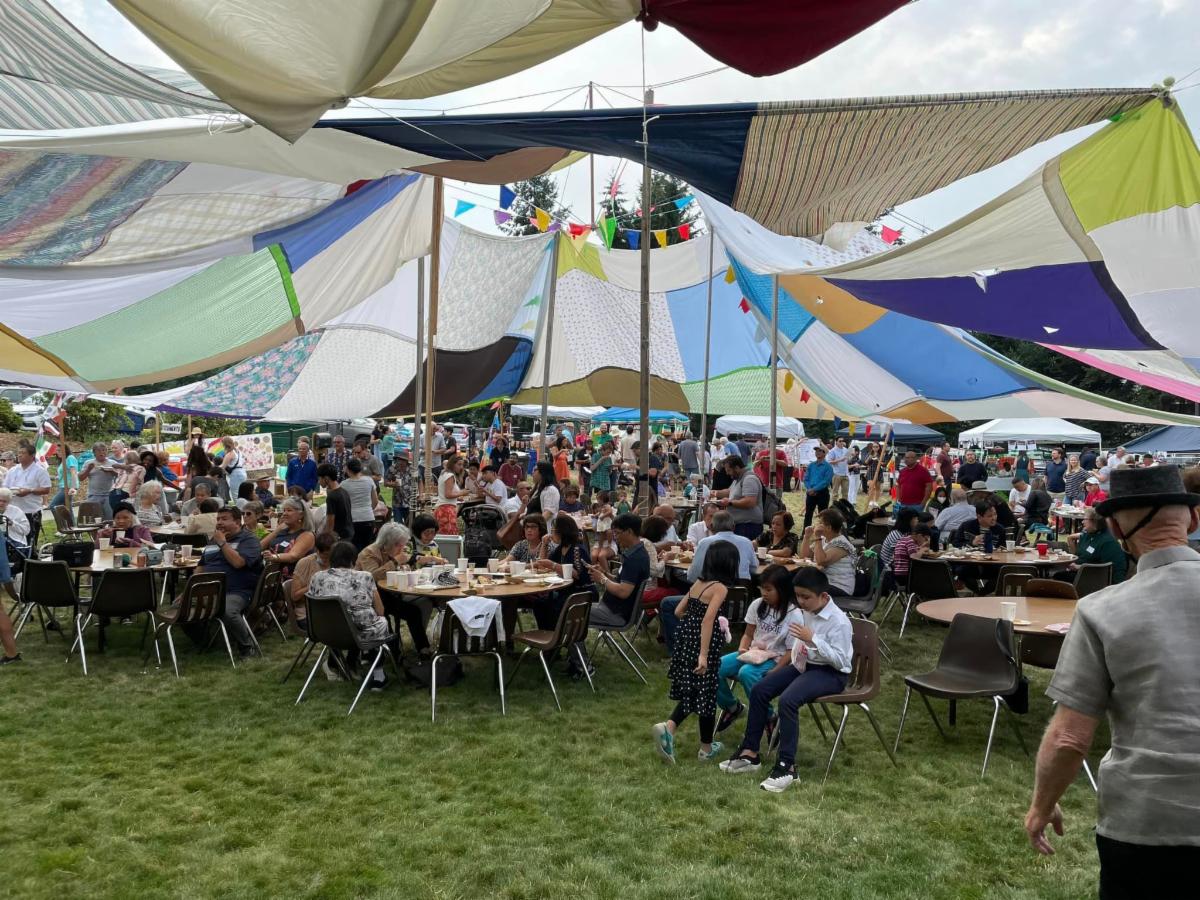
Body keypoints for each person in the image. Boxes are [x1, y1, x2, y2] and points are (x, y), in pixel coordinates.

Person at [1025, 466, 1200, 895]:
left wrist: (1041, 806)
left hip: (1149, 822)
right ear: (1193, 520)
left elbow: (1069, 738)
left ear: (1117, 530)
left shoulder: (1101, 610)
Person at [720, 567, 854, 792]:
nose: (800, 602)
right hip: (805, 665)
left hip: (831, 673)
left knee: (788, 700)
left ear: (823, 596)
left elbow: (841, 662)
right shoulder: (807, 611)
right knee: (760, 690)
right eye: (798, 596)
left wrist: (814, 640)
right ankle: (750, 753)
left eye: (805, 597)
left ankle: (787, 767)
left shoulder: (839, 621)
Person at [651, 541, 739, 764]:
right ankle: (705, 749)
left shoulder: (699, 583)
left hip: (685, 641)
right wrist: (703, 654)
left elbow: (678, 610)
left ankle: (670, 729)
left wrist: (692, 624)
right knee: (707, 694)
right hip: (702, 646)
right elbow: (708, 620)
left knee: (694, 691)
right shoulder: (720, 588)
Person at [714, 565, 800, 734]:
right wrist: (742, 648)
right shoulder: (757, 604)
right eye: (762, 588)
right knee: (714, 667)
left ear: (782, 589)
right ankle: (732, 707)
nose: (764, 593)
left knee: (746, 673)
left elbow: (792, 651)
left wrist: (776, 670)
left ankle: (769, 716)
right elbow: (748, 634)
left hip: (776, 658)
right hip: (754, 653)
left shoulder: (794, 614)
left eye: (769, 589)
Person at [310, 540, 390, 684]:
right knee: (379, 622)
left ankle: (341, 663)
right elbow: (380, 610)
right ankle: (378, 674)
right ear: (354, 559)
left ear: (331, 558)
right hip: (358, 635)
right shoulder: (365, 576)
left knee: (345, 620)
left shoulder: (317, 577)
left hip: (324, 632)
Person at [193, 506, 264, 658]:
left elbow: (238, 563)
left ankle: (247, 648)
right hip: (208, 590)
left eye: (224, 519)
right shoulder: (213, 541)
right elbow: (201, 566)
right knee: (179, 606)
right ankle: (205, 641)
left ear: (237, 522)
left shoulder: (249, 540)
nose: (219, 522)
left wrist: (223, 543)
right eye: (218, 519)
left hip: (236, 591)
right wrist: (190, 587)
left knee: (228, 611)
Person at [586, 513, 649, 633]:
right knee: (572, 608)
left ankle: (575, 645)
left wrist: (602, 579)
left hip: (615, 614)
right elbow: (622, 581)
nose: (615, 537)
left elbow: (623, 592)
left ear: (629, 531)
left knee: (569, 612)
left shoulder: (634, 558)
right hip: (612, 609)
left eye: (617, 533)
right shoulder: (638, 553)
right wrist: (604, 573)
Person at [799, 508, 858, 596]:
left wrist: (817, 537)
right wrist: (806, 537)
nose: (816, 525)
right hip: (824, 582)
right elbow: (804, 556)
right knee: (795, 580)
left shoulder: (842, 544)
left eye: (820, 523)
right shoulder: (824, 539)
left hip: (839, 587)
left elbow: (821, 561)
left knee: (801, 585)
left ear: (829, 528)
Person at [1061, 506, 1127, 584]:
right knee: (1058, 574)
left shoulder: (1108, 542)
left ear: (1095, 521)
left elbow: (1106, 568)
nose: (1082, 522)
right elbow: (1079, 554)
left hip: (1099, 581)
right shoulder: (1088, 534)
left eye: (1085, 519)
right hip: (1083, 573)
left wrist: (1080, 567)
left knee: (1058, 577)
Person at [4, 442, 51, 539]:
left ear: (32, 456)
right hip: (13, 511)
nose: (19, 455)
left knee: (30, 540)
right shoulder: (13, 470)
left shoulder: (40, 471)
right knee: (13, 539)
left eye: (23, 453)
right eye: (19, 453)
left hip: (31, 511)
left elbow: (46, 489)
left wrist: (30, 490)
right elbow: (5, 487)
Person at [291, 530, 335, 633]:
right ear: (317, 550)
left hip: (332, 612)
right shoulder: (305, 563)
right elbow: (295, 596)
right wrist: (316, 583)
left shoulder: (337, 561)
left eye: (330, 556)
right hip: (308, 614)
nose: (327, 560)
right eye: (325, 556)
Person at [261, 497, 315, 577]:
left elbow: (293, 556)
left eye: (289, 510)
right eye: (284, 510)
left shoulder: (307, 535)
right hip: (269, 574)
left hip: (289, 579)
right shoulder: (283, 530)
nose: (284, 513)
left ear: (301, 515)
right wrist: (278, 529)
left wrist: (274, 557)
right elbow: (261, 546)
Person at [714, 455, 763, 540]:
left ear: (736, 468)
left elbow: (750, 502)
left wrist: (730, 502)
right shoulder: (738, 479)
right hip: (741, 525)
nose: (727, 473)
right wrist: (715, 493)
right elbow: (730, 492)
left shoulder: (749, 479)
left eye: (729, 470)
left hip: (748, 526)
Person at [342, 457, 380, 550]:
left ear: (348, 469)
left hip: (352, 519)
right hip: (368, 517)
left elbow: (343, 504)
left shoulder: (344, 484)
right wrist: (368, 509)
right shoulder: (369, 480)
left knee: (352, 548)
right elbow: (375, 501)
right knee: (366, 548)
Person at [317, 464, 353, 542]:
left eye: (319, 479)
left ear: (326, 479)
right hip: (349, 533)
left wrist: (325, 540)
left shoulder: (332, 496)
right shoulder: (344, 491)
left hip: (339, 537)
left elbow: (330, 523)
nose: (319, 482)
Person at [895, 449, 934, 521]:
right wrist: (898, 499)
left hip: (917, 505)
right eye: (905, 457)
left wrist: (923, 502)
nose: (906, 459)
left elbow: (929, 487)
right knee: (903, 524)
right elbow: (898, 486)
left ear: (915, 459)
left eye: (908, 458)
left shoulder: (923, 471)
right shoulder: (902, 471)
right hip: (903, 504)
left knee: (915, 524)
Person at [801, 445, 833, 529]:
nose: (817, 452)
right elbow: (806, 478)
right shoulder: (811, 465)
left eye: (820, 451)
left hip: (822, 493)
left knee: (823, 515)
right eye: (816, 451)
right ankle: (805, 532)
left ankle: (823, 533)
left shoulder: (828, 467)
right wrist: (809, 489)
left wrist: (814, 489)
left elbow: (826, 481)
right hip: (810, 493)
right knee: (808, 514)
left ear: (824, 453)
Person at [385, 452, 419, 527]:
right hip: (397, 501)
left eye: (402, 460)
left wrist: (420, 494)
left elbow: (419, 481)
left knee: (410, 525)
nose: (400, 462)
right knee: (398, 525)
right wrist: (393, 484)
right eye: (398, 460)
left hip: (410, 501)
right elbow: (386, 483)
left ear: (406, 461)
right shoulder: (392, 469)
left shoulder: (412, 469)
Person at [827, 437, 850, 503]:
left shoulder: (846, 450)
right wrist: (840, 460)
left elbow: (847, 461)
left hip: (845, 473)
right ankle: (834, 506)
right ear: (836, 442)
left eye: (843, 441)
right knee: (835, 493)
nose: (842, 442)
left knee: (845, 493)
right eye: (840, 441)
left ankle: (844, 506)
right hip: (837, 474)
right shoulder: (832, 451)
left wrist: (850, 457)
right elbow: (829, 462)